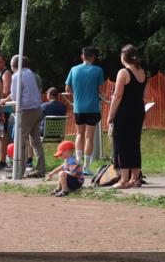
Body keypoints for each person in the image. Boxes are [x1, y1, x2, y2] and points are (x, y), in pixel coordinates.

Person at [107, 45, 149, 189]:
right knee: (134, 144)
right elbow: (144, 96)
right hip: (138, 111)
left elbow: (117, 95)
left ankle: (124, 180)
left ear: (123, 57)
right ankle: (135, 179)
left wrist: (110, 114)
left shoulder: (123, 72)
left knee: (122, 144)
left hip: (124, 112)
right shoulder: (142, 72)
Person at [1, 55, 45, 178]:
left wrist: (8, 101)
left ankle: (18, 172)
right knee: (36, 142)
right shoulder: (33, 74)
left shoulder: (16, 76)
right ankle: (41, 170)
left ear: (13, 65)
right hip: (37, 110)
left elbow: (16, 97)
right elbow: (23, 90)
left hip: (26, 111)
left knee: (19, 142)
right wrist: (6, 98)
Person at [64, 46, 105, 175]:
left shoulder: (73, 69)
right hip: (92, 108)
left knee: (79, 134)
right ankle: (86, 167)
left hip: (78, 108)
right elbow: (100, 91)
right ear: (93, 57)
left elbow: (68, 89)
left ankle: (77, 163)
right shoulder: (98, 70)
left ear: (82, 56)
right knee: (89, 137)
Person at [0, 54, 13, 169]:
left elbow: (5, 91)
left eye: (0, 62)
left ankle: (3, 160)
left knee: (2, 135)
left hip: (5, 109)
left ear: (4, 62)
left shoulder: (6, 73)